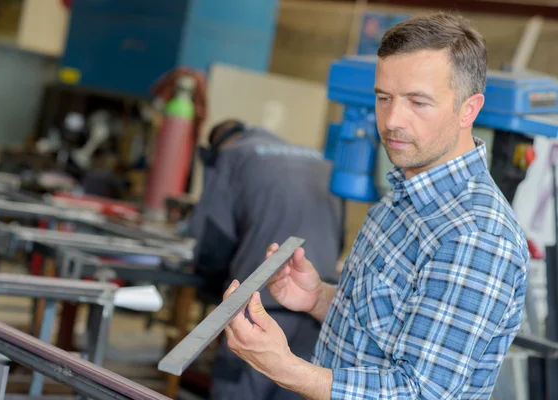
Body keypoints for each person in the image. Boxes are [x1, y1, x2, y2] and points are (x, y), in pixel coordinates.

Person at [221, 12, 530, 400]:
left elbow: (419, 392)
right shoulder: (398, 199)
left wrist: (285, 368)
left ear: (469, 109)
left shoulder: (476, 236)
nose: (393, 120)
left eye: (418, 102)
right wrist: (318, 297)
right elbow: (385, 330)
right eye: (384, 98)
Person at [188, 120, 345, 400]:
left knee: (239, 388)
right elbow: (339, 235)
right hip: (321, 305)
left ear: (218, 146)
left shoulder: (233, 156)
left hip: (259, 303)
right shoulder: (317, 158)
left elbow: (214, 241)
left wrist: (210, 286)